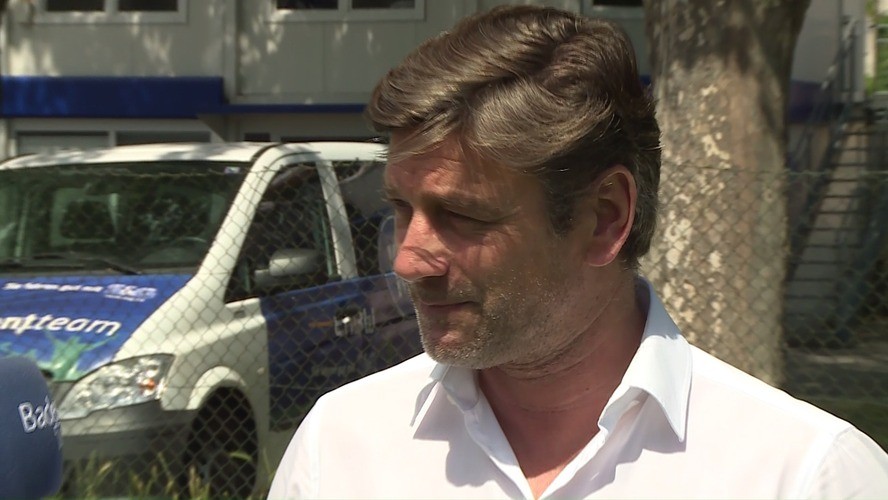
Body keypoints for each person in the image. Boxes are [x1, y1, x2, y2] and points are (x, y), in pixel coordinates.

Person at [268, 5, 888, 498]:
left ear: (605, 218)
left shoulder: (805, 475)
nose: (408, 260)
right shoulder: (340, 448)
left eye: (462, 216)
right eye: (402, 209)